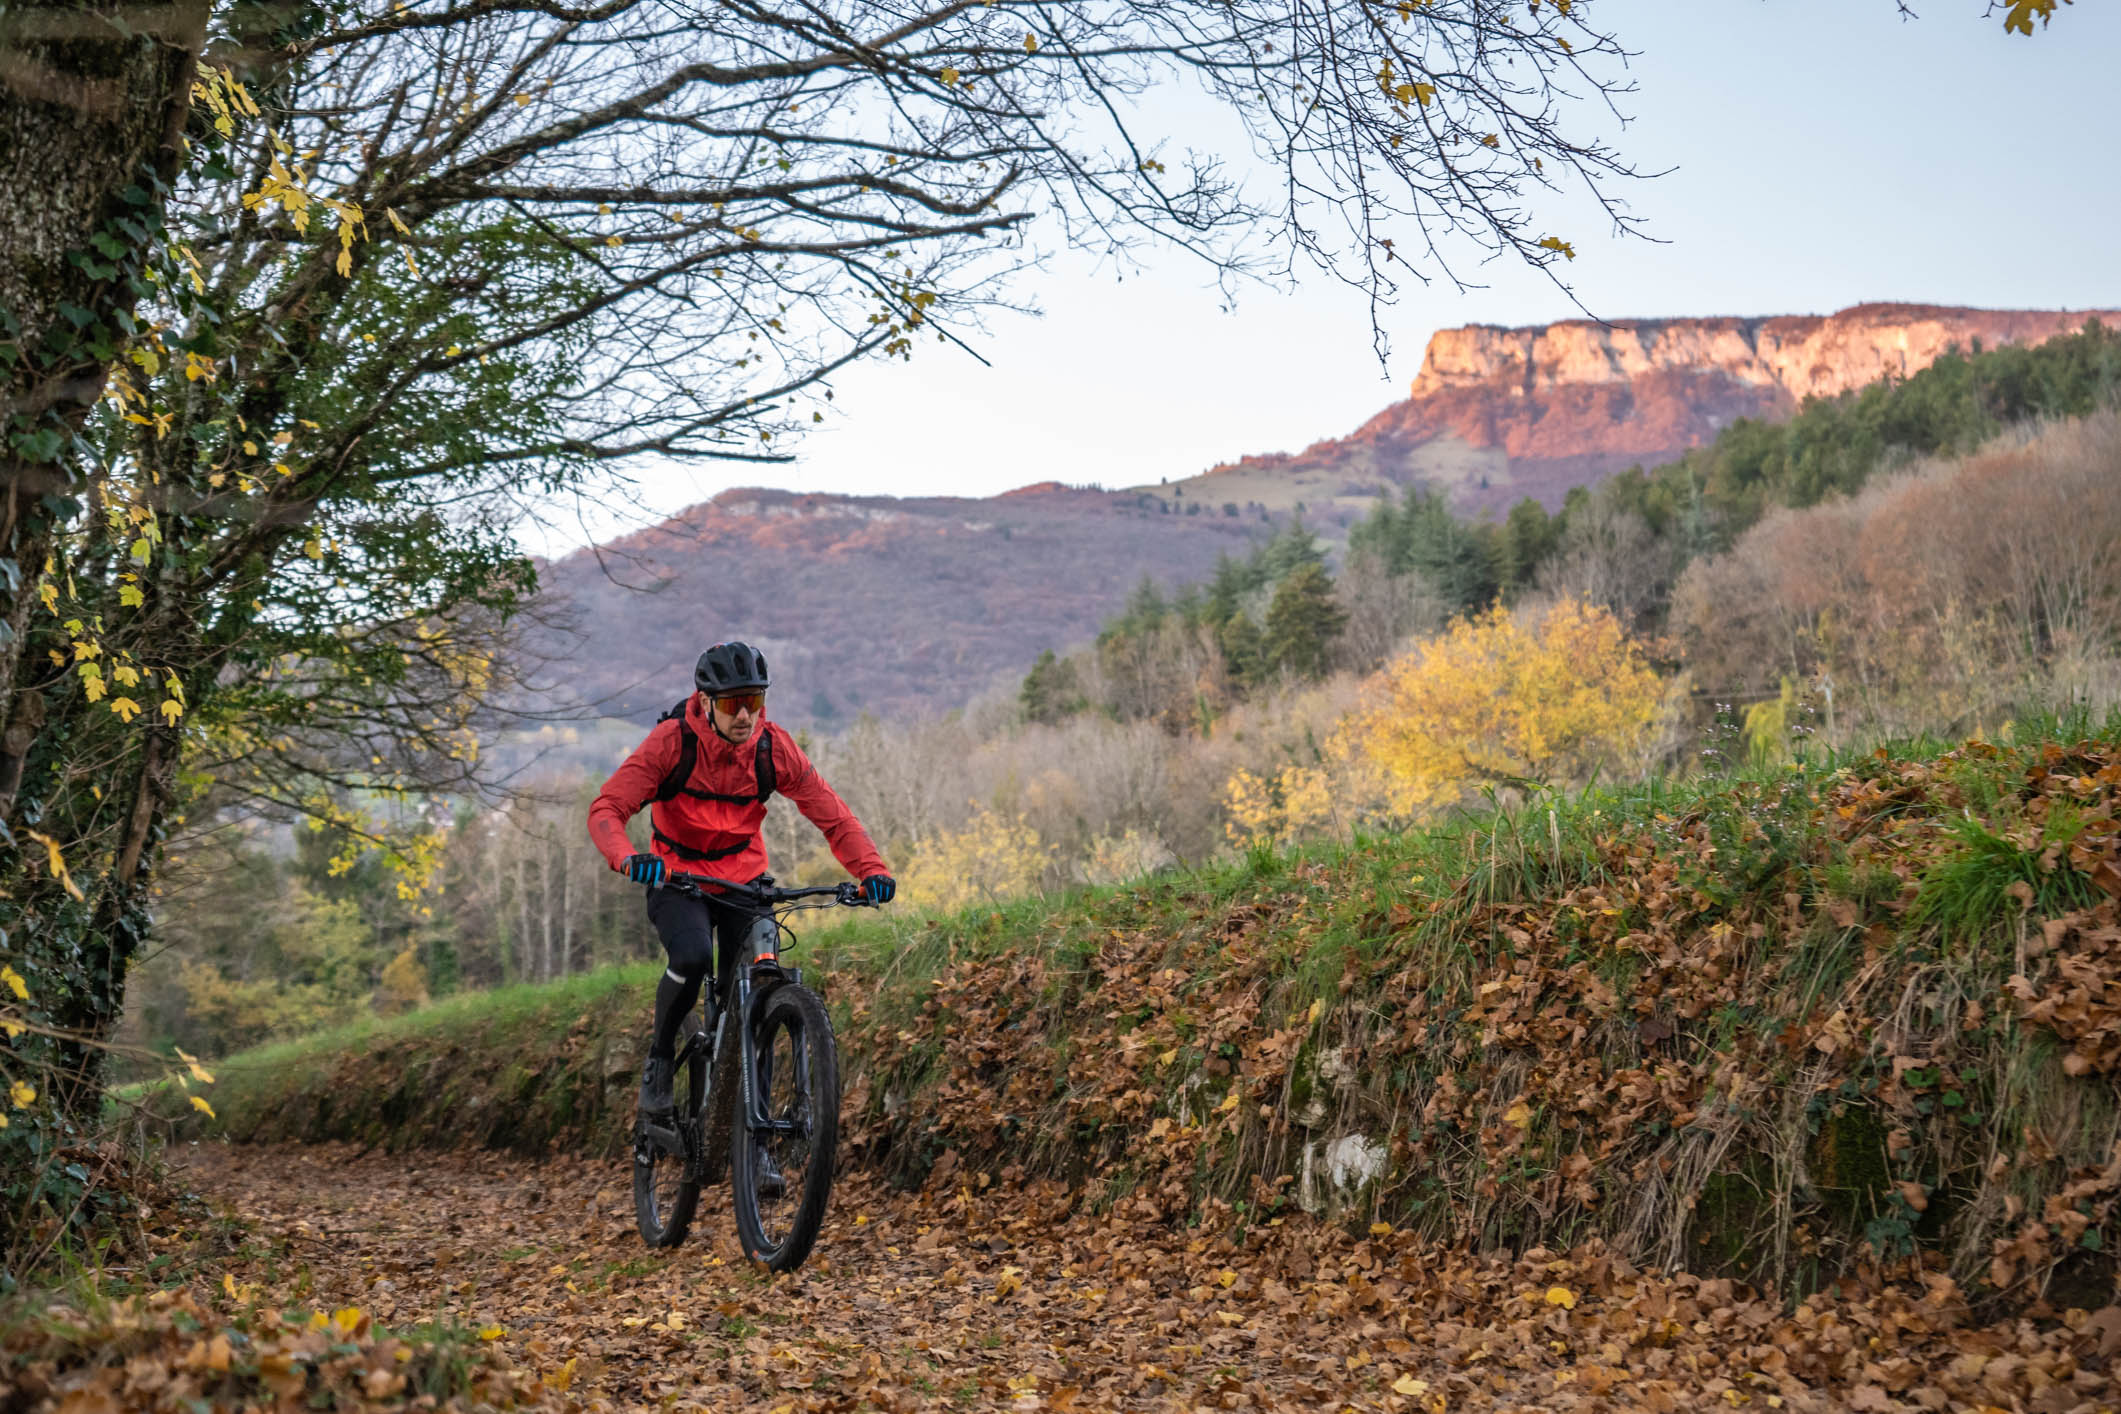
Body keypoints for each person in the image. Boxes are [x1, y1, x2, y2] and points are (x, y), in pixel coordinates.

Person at [588, 641, 894, 1120]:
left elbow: (833, 817)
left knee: (758, 992)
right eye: (734, 703)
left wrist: (871, 870)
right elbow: (608, 808)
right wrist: (628, 857)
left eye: (755, 701)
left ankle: (762, 1140)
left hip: (745, 883)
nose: (746, 715)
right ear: (706, 702)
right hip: (678, 878)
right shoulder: (672, 742)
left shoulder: (773, 748)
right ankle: (661, 1058)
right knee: (690, 957)